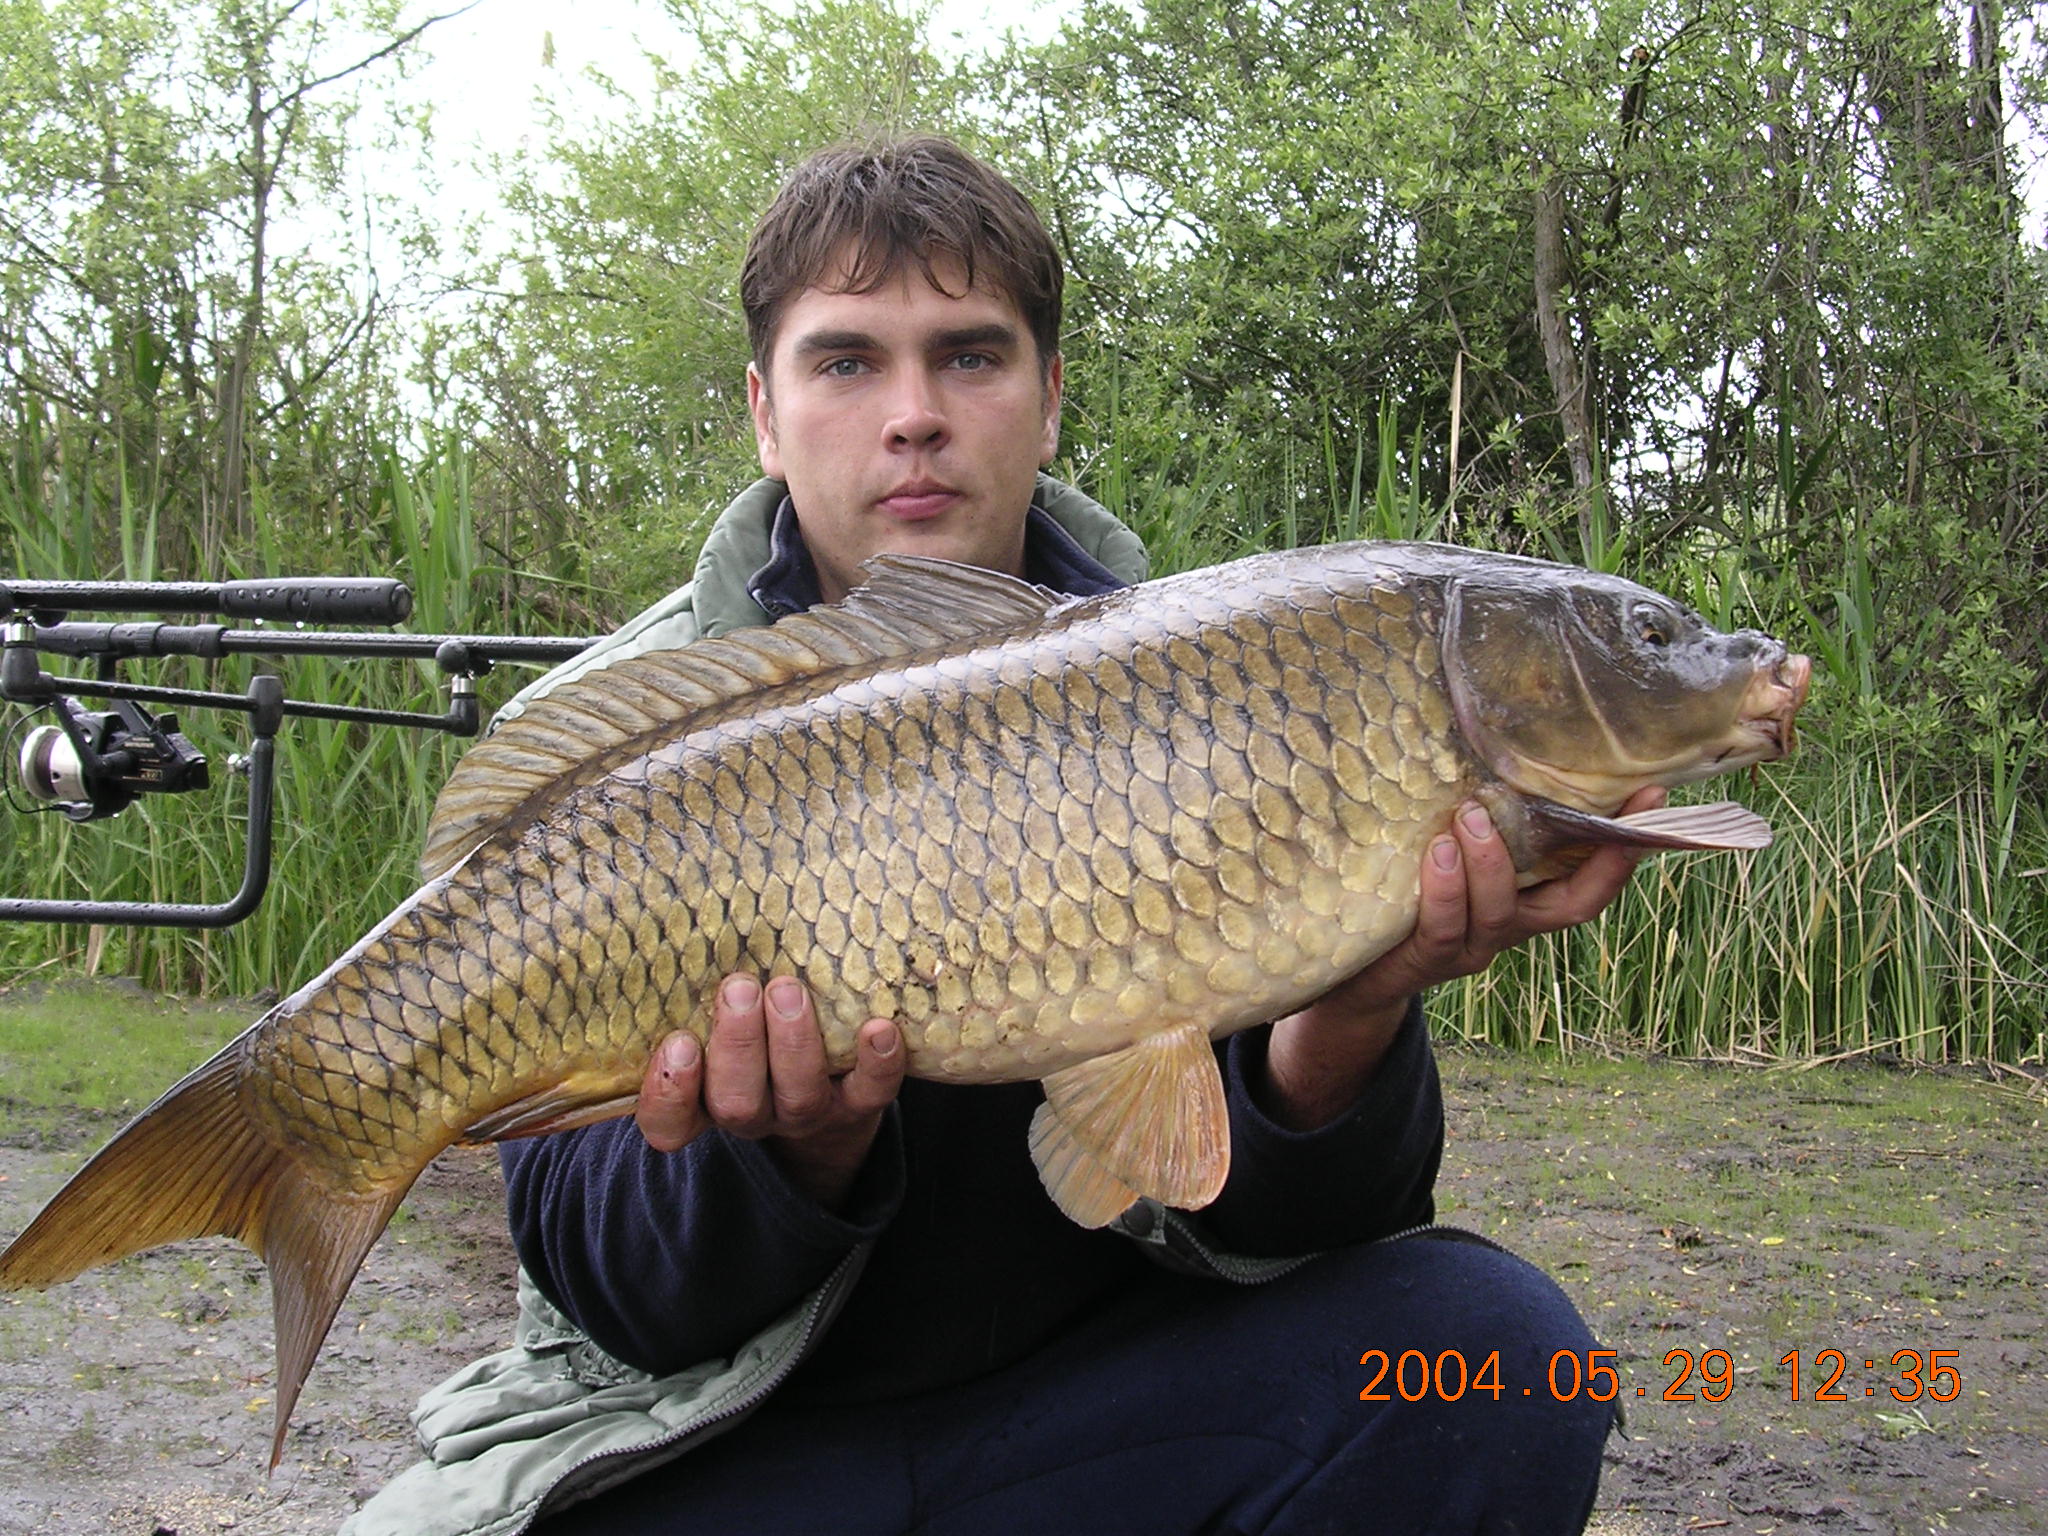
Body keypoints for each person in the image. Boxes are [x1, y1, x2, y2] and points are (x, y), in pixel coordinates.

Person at [345, 135, 1657, 1536]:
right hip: (732, 1450)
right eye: (847, 363)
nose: (914, 415)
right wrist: (799, 1150)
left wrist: (1354, 1005)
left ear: (1048, 401)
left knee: (1492, 1358)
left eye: (970, 356)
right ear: (766, 416)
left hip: (1100, 1421)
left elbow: (1309, 1228)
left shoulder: (1231, 676)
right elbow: (617, 1297)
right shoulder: (616, 743)